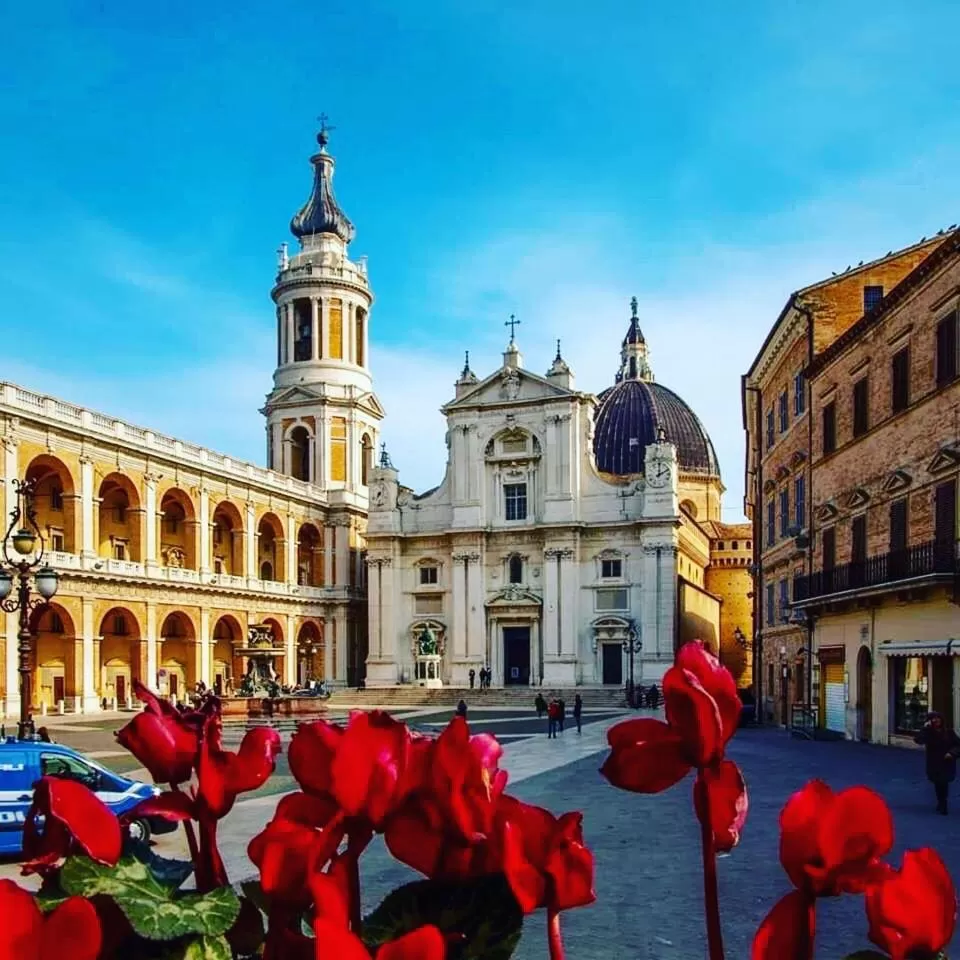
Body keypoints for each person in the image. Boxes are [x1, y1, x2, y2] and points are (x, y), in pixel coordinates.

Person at [914, 712, 960, 814]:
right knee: (938, 783)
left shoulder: (949, 732)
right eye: (933, 719)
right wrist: (925, 728)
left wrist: (952, 753)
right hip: (934, 762)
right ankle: (940, 801)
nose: (936, 720)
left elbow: (958, 745)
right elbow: (918, 740)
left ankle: (943, 803)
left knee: (944, 782)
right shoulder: (928, 733)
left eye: (938, 718)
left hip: (947, 761)